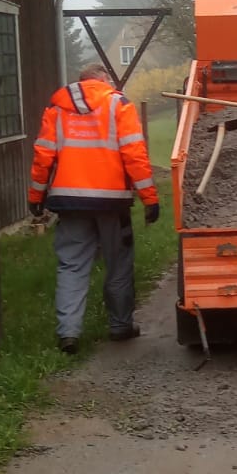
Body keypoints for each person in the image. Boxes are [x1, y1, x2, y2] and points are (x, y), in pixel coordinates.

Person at [28, 62, 161, 353]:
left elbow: (43, 156)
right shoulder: (118, 105)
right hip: (112, 202)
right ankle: (120, 326)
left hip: (70, 201)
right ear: (104, 80)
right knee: (118, 263)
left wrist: (36, 196)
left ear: (82, 82)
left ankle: (68, 334)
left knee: (71, 265)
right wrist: (149, 198)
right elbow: (134, 155)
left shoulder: (57, 108)